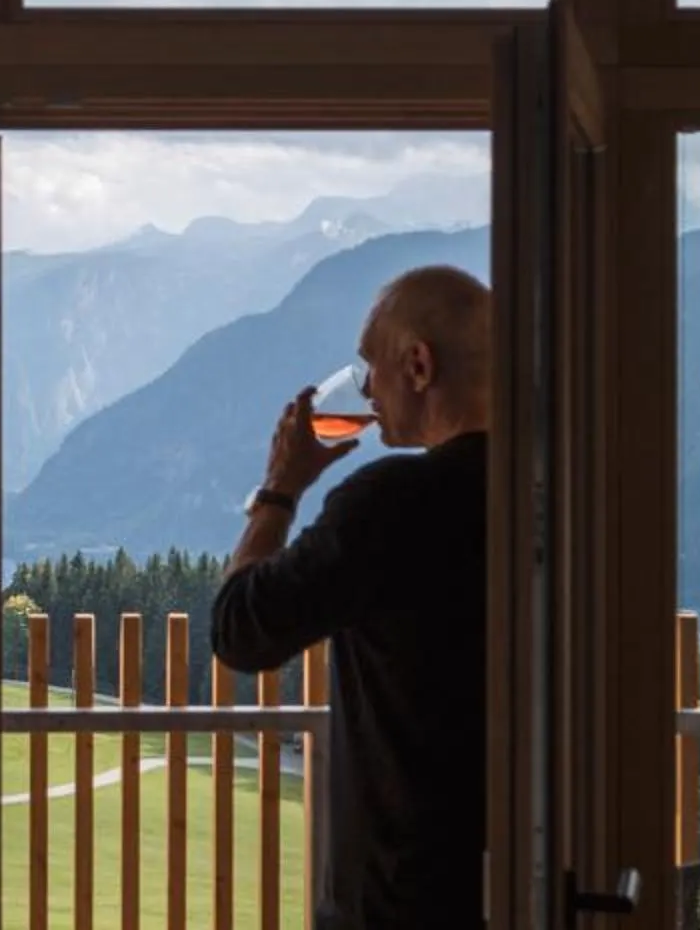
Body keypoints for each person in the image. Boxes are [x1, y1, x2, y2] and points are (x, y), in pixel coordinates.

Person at [211, 264, 491, 930]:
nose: (365, 389)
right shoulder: (560, 490)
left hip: (398, 900)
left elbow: (240, 630)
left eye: (371, 367)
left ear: (417, 366)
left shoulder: (392, 504)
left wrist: (280, 489)